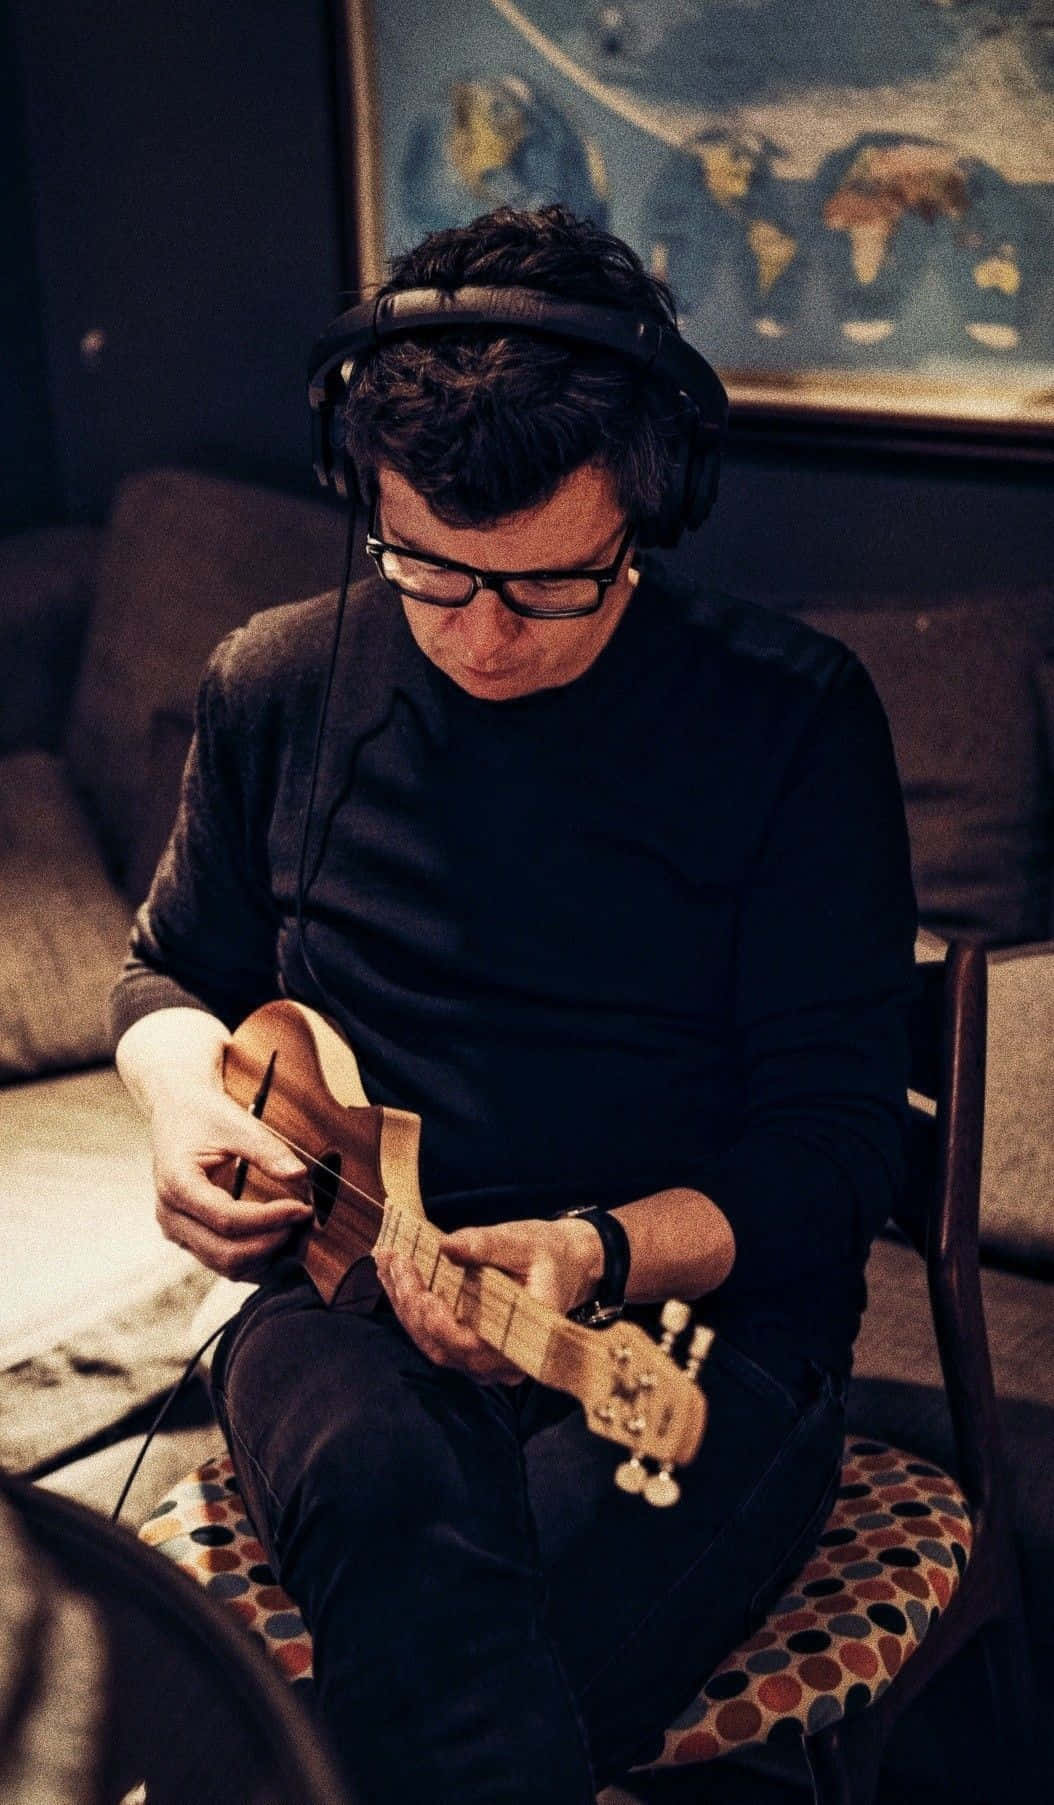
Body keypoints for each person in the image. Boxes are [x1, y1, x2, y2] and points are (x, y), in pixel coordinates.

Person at [111, 204, 917, 1803]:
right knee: (389, 1507)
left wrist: (594, 1248)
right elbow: (169, 974)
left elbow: (837, 1149)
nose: (480, 633)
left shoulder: (792, 724)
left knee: (487, 1638)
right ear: (363, 496)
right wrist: (182, 1097)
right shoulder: (276, 679)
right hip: (340, 1294)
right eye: (427, 569)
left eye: (552, 585)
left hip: (693, 1321)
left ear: (651, 506)